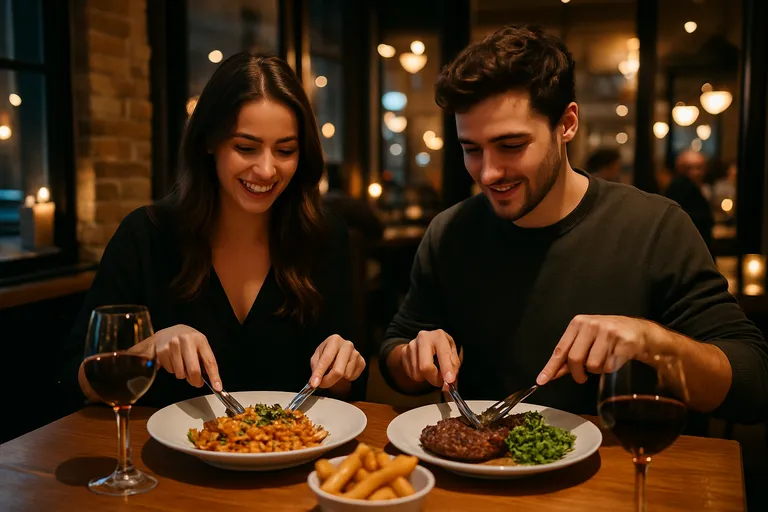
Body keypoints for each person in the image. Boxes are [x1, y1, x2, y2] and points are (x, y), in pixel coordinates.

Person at [378, 25, 768, 426]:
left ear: (566, 124)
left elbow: (752, 384)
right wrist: (412, 357)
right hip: (484, 470)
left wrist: (653, 341)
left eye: (511, 145)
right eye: (471, 150)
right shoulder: (450, 231)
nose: (489, 173)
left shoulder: (654, 227)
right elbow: (395, 350)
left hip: (623, 471)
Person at [58, 54, 366, 411]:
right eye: (245, 148)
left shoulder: (324, 236)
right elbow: (72, 378)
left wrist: (344, 369)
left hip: (298, 459)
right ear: (209, 142)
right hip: (164, 461)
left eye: (285, 150)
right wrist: (148, 351)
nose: (266, 169)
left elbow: (349, 390)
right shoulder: (147, 235)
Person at [665, 149, 715, 249]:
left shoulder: (693, 187)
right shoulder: (682, 188)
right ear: (681, 169)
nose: (699, 173)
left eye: (701, 168)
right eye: (693, 168)